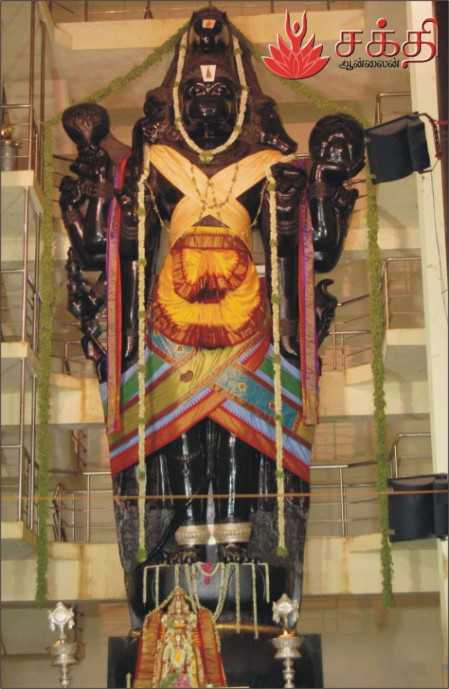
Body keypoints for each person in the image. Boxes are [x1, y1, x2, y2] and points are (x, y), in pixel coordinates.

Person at [59, 7, 365, 628]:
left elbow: (305, 248)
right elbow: (117, 244)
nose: (206, 107)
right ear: (175, 102)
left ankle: (236, 534)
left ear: (242, 102)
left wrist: (310, 199)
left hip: (244, 314)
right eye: (195, 97)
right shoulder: (153, 164)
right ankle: (178, 533)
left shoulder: (267, 166)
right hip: (168, 316)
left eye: (219, 95)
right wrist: (111, 202)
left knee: (239, 426)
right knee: (172, 428)